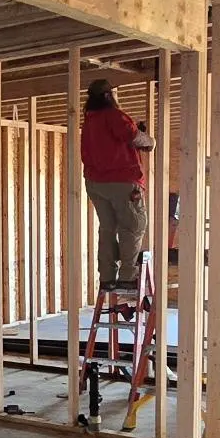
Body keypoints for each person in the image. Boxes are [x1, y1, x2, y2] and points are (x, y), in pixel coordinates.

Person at [79, 79, 154, 292]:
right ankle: (128, 276)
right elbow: (132, 136)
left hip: (95, 183)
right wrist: (150, 141)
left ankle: (107, 277)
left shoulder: (90, 121)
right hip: (122, 181)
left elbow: (115, 142)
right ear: (107, 96)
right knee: (132, 225)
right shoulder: (113, 115)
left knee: (108, 228)